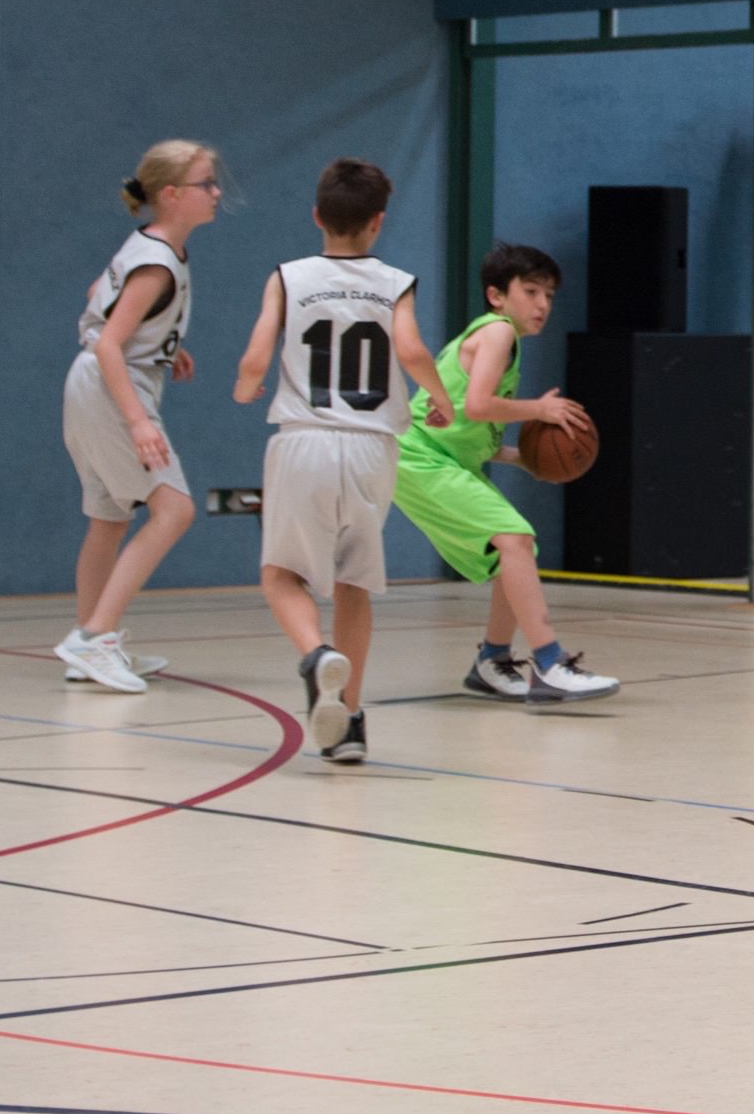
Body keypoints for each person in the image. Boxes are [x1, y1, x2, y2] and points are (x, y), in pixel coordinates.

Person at [230, 159, 457, 763]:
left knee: (281, 574)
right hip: (372, 448)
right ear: (378, 222)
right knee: (353, 581)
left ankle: (315, 654)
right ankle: (348, 725)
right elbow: (410, 349)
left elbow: (256, 356)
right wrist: (439, 397)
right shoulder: (395, 282)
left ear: (316, 216)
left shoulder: (288, 277)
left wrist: (246, 387)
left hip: (304, 440)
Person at [393, 244, 621, 705]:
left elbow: (469, 427)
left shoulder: (497, 337)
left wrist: (523, 459)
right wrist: (539, 409)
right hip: (421, 457)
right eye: (531, 292)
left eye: (549, 295)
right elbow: (479, 406)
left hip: (436, 456)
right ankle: (550, 663)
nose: (542, 305)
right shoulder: (498, 332)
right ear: (496, 296)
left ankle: (492, 661)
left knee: (516, 550)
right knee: (515, 538)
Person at [55, 140, 225, 693]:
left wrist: (161, 345)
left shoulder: (148, 244)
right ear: (172, 194)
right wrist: (138, 421)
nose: (216, 191)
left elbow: (97, 296)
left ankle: (88, 639)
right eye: (206, 183)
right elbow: (110, 343)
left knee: (108, 520)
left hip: (92, 382)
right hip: (110, 387)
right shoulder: (158, 262)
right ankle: (95, 639)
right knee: (174, 510)